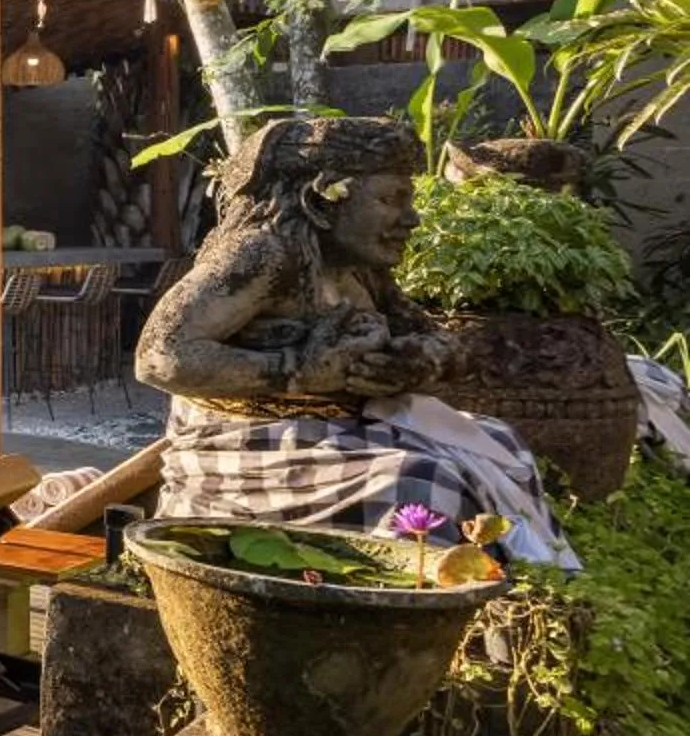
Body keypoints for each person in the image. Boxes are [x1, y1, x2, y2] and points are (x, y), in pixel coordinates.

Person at [136, 116, 574, 567]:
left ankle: (497, 579)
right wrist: (297, 370)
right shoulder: (263, 254)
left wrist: (418, 362)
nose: (412, 219)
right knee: (419, 480)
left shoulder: (359, 268)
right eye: (390, 200)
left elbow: (441, 341)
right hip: (246, 441)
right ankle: (417, 599)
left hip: (336, 429)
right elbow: (159, 356)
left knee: (500, 439)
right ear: (321, 202)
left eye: (410, 200)